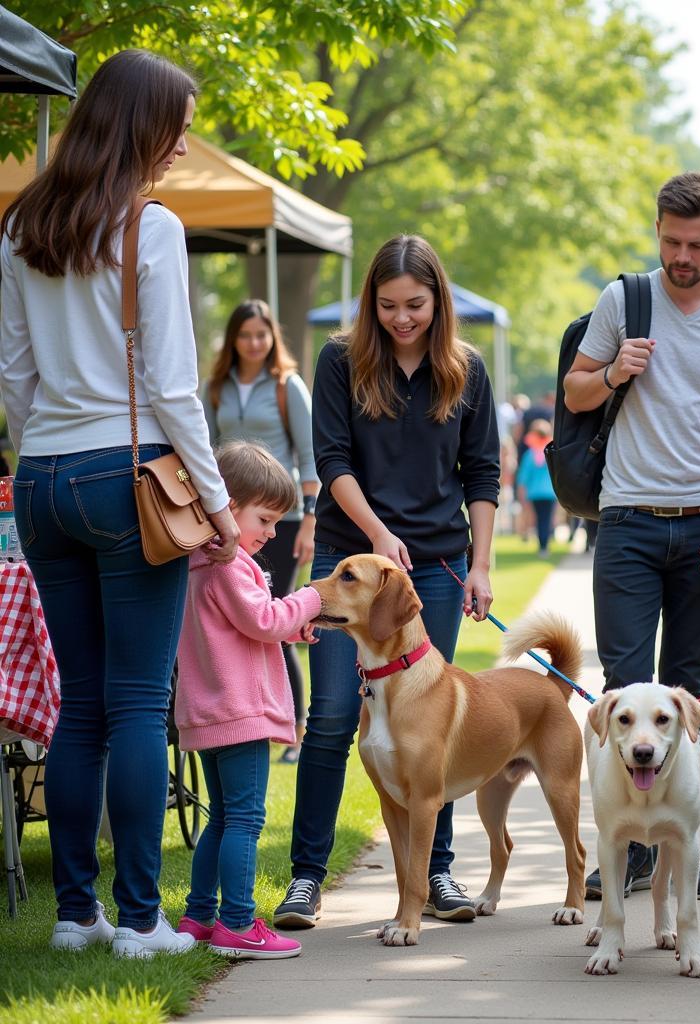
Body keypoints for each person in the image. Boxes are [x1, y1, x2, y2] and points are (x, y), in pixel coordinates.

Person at [0, 49, 239, 956]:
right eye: (177, 122)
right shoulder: (150, 227)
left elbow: (13, 374)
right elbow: (174, 387)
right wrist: (218, 508)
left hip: (43, 479)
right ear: (141, 122)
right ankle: (140, 921)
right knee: (139, 703)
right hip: (128, 473)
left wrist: (45, 451)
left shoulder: (25, 222)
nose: (183, 141)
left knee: (82, 708)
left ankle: (74, 915)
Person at [273, 234, 500, 929]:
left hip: (431, 569)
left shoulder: (466, 368)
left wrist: (482, 564)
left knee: (433, 731)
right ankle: (306, 877)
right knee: (336, 715)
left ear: (439, 302)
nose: (403, 318)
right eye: (390, 305)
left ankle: (437, 876)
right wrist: (375, 535)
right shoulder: (341, 361)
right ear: (372, 302)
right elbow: (332, 460)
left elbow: (483, 473)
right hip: (351, 562)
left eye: (417, 305)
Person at [563, 171, 700, 901]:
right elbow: (575, 390)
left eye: (696, 244)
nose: (682, 256)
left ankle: (684, 844)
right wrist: (614, 370)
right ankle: (626, 851)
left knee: (687, 692)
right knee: (624, 687)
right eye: (669, 241)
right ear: (656, 231)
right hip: (626, 521)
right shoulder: (624, 300)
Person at [174, 441, 322, 958]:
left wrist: (293, 627)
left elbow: (246, 628)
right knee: (244, 820)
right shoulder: (229, 563)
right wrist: (314, 598)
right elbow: (262, 619)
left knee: (220, 817)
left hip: (210, 711)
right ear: (227, 504)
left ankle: (198, 917)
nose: (272, 532)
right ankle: (238, 924)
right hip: (240, 714)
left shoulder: (196, 562)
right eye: (265, 518)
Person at [204, 299, 319, 764]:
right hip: (227, 514)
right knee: (234, 620)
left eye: (262, 334)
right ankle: (240, 717)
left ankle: (295, 725)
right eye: (245, 334)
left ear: (273, 337)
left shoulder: (285, 386)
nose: (254, 342)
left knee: (274, 615)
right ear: (233, 339)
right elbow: (207, 451)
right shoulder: (216, 388)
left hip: (281, 518)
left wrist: (311, 517)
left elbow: (310, 455)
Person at [515, 418, 557, 557]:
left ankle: (543, 546)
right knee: (547, 519)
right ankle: (545, 545)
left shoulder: (529, 455)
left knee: (540, 520)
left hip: (535, 493)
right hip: (550, 492)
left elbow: (523, 478)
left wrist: (522, 495)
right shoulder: (552, 453)